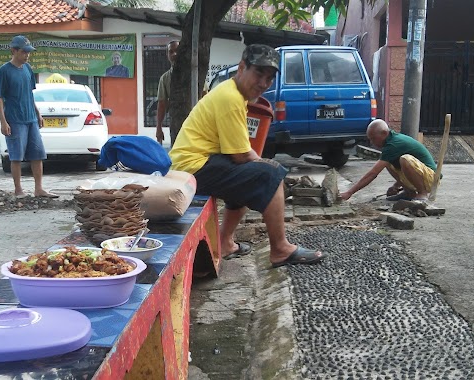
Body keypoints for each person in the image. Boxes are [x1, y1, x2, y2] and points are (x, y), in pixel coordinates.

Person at [169, 44, 325, 267]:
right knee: (271, 174)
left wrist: (260, 164)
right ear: (242, 67)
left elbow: (241, 153)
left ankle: (225, 243)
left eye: (269, 78)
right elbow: (241, 155)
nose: (263, 83)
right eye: (258, 74)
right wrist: (271, 171)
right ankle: (280, 249)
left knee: (252, 176)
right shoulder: (230, 98)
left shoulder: (234, 95)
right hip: (192, 168)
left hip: (195, 164)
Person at [0, 35, 57, 198]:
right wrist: (3, 121)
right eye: (23, 52)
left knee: (38, 154)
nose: (27, 55)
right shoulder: (4, 70)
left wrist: (38, 113)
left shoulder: (28, 69)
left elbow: (29, 94)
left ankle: (39, 189)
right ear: (14, 51)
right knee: (16, 157)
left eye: (28, 52)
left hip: (31, 119)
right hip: (14, 120)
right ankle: (18, 190)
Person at [340, 119, 438, 202]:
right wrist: (395, 186)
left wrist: (349, 192)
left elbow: (373, 174)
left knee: (405, 160)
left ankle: (422, 193)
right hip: (422, 175)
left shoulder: (394, 144)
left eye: (373, 138)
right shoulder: (390, 141)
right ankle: (409, 193)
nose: (372, 142)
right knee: (388, 163)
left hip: (431, 179)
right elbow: (402, 170)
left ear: (384, 133)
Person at [156, 40, 180, 145]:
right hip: (176, 124)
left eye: (177, 51)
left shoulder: (194, 74)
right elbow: (162, 104)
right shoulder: (165, 78)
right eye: (171, 51)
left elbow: (204, 95)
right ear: (167, 55)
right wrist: (158, 128)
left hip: (196, 123)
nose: (174, 54)